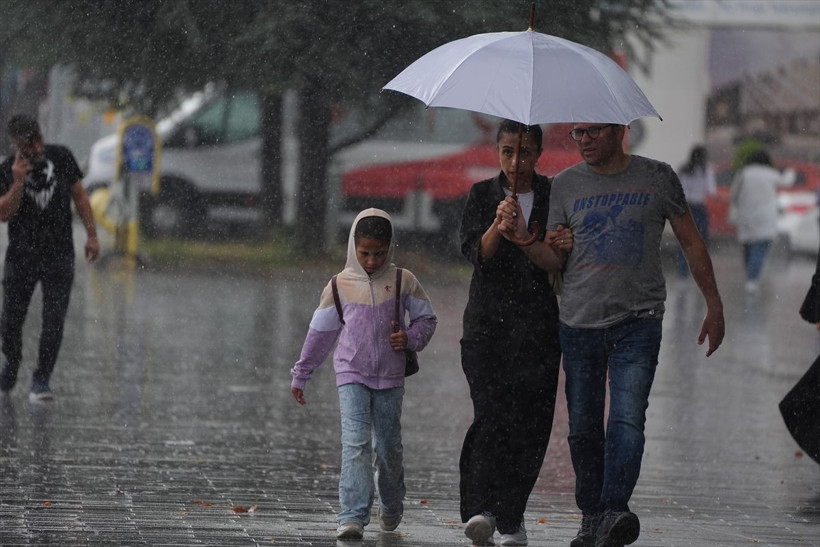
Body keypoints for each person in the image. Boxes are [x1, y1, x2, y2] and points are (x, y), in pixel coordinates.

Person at [498, 122, 725, 547]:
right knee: (584, 429)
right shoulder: (565, 185)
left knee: (627, 421)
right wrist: (525, 240)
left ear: (620, 130)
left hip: (639, 321)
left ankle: (614, 509)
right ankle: (592, 516)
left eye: (593, 132)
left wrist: (714, 303)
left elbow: (691, 242)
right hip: (579, 323)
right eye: (578, 132)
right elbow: (553, 259)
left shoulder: (657, 177)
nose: (583, 139)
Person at [290, 208, 437, 541]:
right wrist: (302, 374)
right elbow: (320, 333)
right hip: (350, 374)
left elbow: (428, 319)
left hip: (391, 378)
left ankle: (391, 502)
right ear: (353, 248)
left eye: (380, 253)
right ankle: (351, 515)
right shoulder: (339, 285)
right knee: (355, 444)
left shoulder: (404, 281)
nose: (372, 260)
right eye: (365, 253)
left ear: (390, 248)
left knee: (388, 448)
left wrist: (410, 338)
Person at [458, 120, 572, 547]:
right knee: (492, 415)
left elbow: (557, 262)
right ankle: (483, 508)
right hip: (487, 327)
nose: (515, 162)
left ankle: (512, 515)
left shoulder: (552, 195)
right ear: (497, 152)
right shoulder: (482, 195)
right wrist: (497, 226)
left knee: (531, 422)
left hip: (537, 329)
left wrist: (531, 237)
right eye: (507, 151)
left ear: (538, 153)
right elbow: (476, 254)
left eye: (524, 152)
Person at [0, 114, 99, 402]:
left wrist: (92, 235)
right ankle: (13, 361)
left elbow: (80, 196)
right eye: (31, 143)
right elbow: (4, 213)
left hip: (59, 255)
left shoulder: (62, 156)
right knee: (10, 321)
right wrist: (18, 182)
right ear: (17, 143)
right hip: (21, 256)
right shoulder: (8, 169)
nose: (38, 146)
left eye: (40, 138)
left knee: (54, 319)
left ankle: (42, 378)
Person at [729, 148, 795, 293]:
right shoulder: (770, 173)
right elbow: (787, 182)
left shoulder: (743, 173)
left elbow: (733, 194)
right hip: (765, 216)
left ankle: (750, 274)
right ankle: (752, 279)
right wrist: (791, 170)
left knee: (748, 246)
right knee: (760, 246)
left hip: (746, 215)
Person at [675, 145, 716, 278]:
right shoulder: (705, 171)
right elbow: (711, 191)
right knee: (700, 241)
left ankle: (683, 274)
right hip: (699, 208)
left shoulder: (683, 170)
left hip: (685, 208)